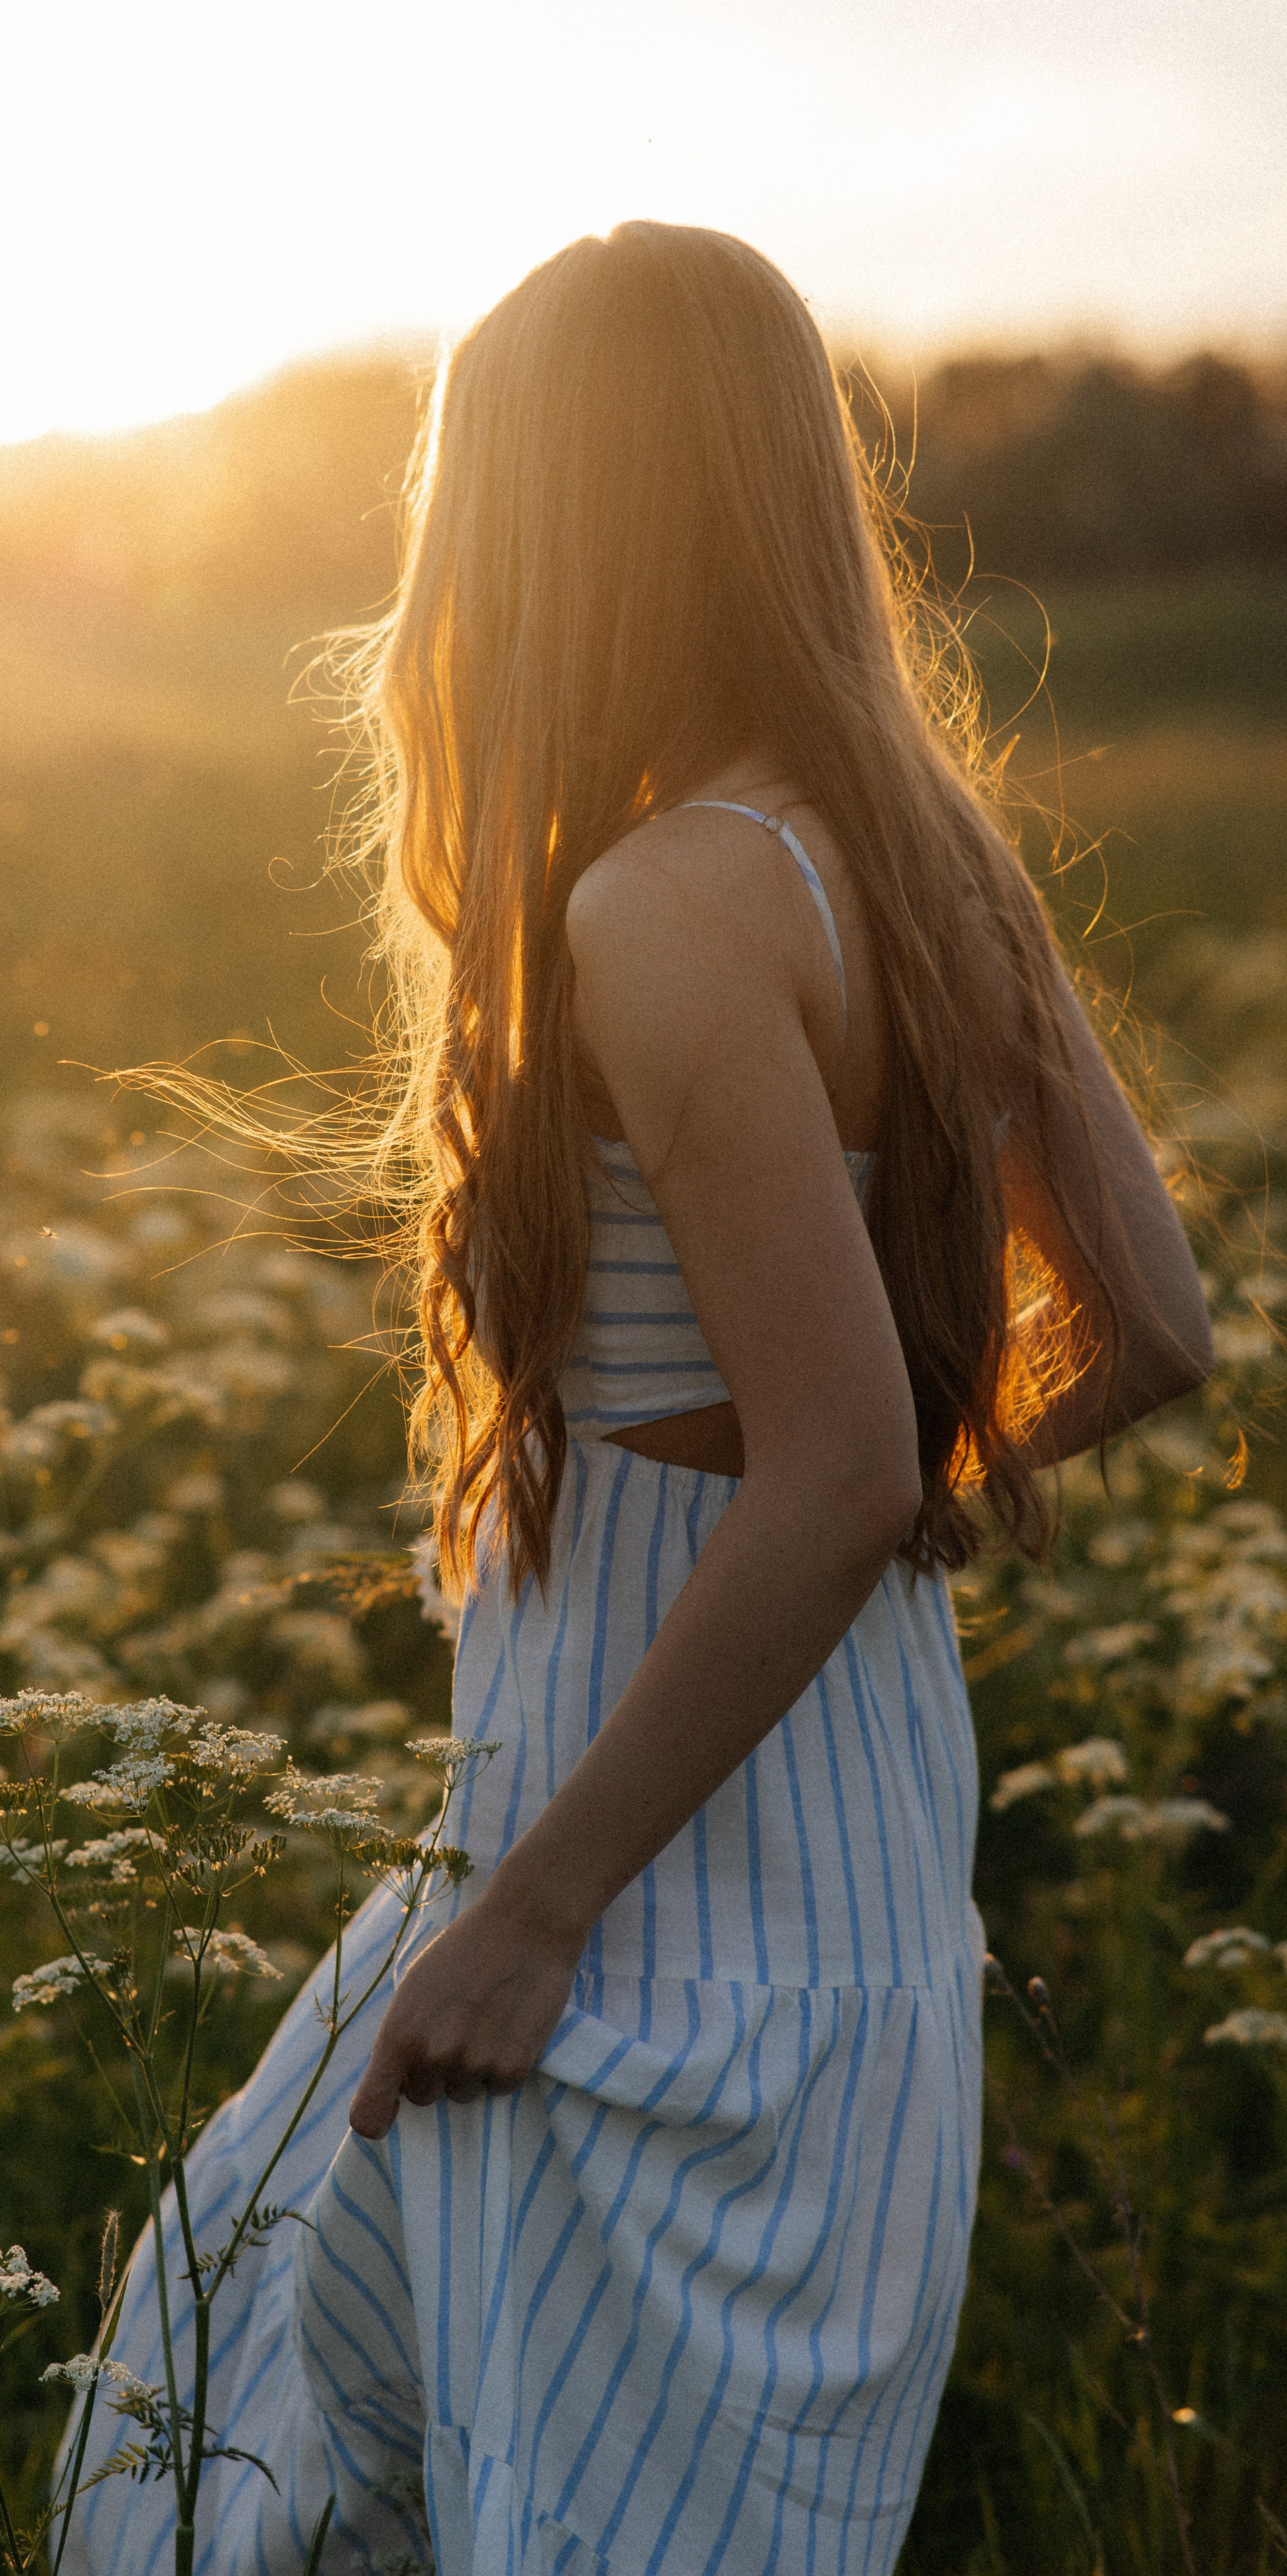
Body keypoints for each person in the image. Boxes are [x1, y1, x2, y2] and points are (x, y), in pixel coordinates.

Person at [65, 223, 1212, 2576]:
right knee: (281, 2425)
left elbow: (848, 1463)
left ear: (544, 521)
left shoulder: (671, 902)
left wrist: (540, 1911)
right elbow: (1155, 1331)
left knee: (311, 2487)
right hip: (820, 1866)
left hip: (650, 1924)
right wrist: (858, 1516)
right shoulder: (916, 848)